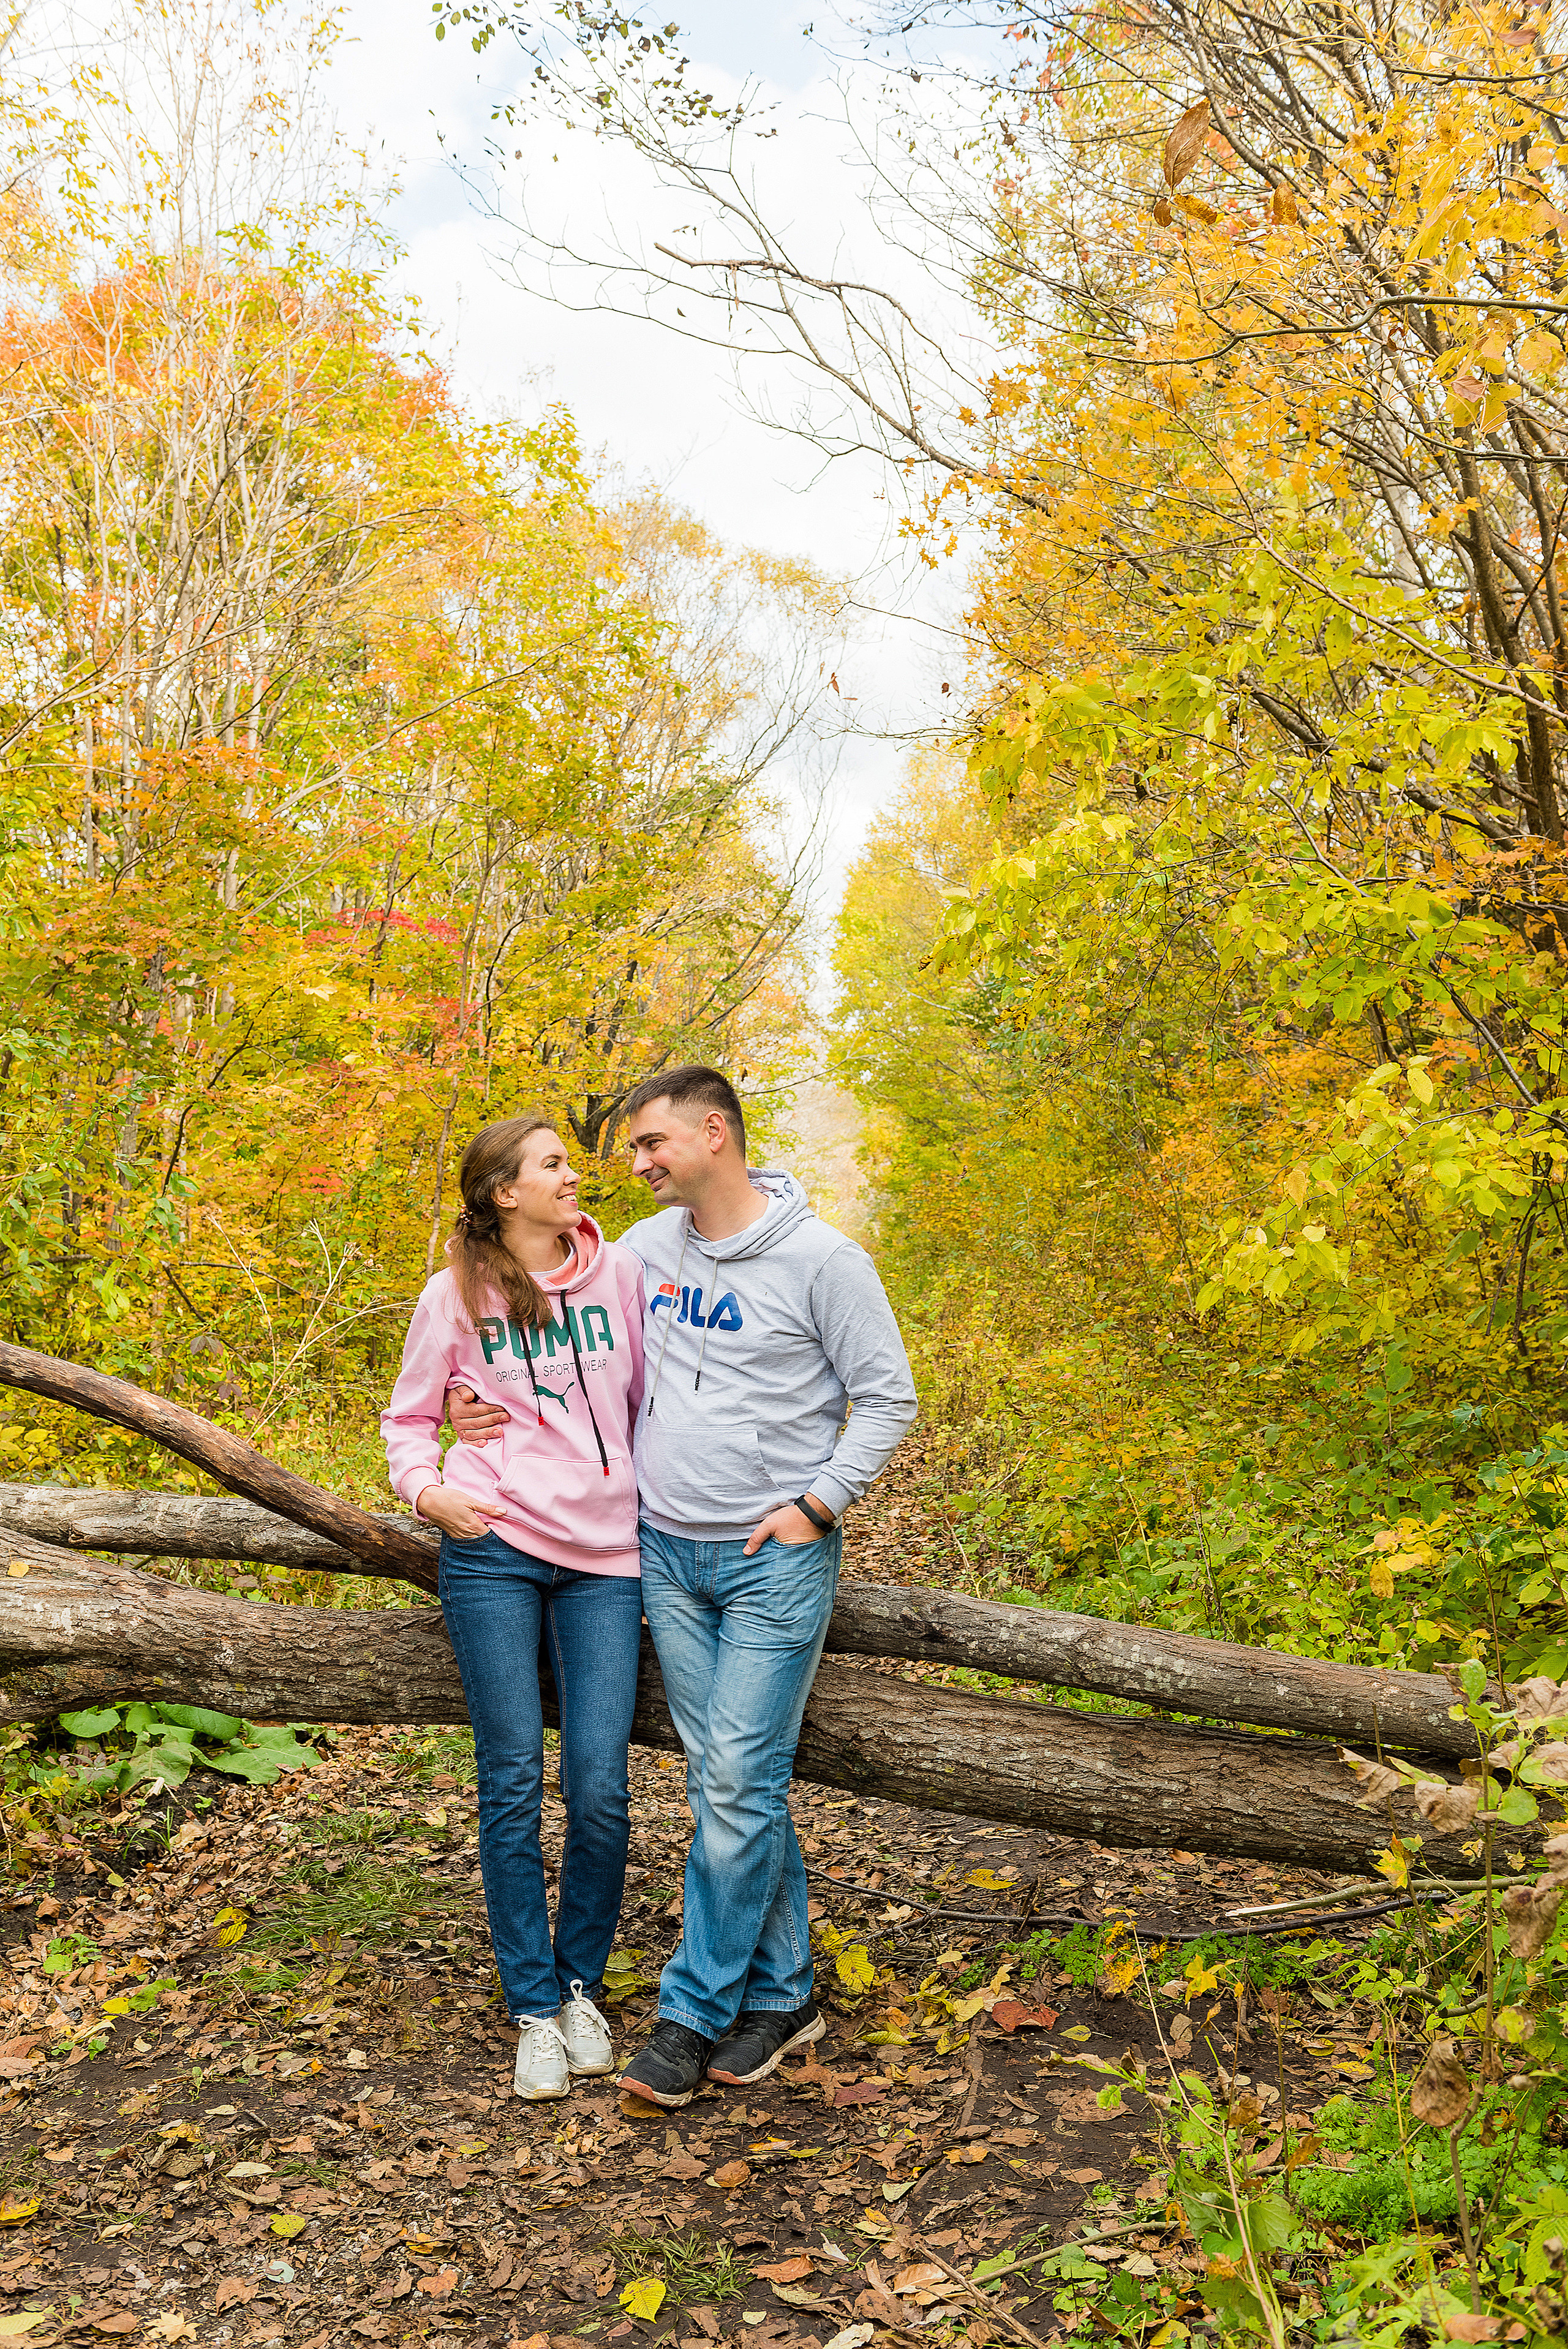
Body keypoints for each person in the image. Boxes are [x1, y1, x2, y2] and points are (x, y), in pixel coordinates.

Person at [450, 1066, 917, 2108]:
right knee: (731, 1781)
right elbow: (534, 1329)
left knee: (736, 1783)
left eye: (653, 1143)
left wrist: (819, 1504)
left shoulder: (823, 1261)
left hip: (770, 1561)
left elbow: (889, 1396)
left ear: (716, 1133)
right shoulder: (642, 1252)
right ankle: (785, 1992)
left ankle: (693, 2011)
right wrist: (460, 1397)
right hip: (664, 1551)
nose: (637, 1163)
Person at [382, 1114, 646, 2102]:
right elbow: (408, 1416)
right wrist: (428, 1490)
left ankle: (582, 1983)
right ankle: (535, 2005)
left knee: (600, 1784)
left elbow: (660, 1400)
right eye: (553, 1165)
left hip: (607, 1560)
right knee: (509, 1777)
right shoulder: (454, 1294)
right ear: (505, 1193)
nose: (574, 1176)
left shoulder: (618, 1277)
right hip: (492, 1549)